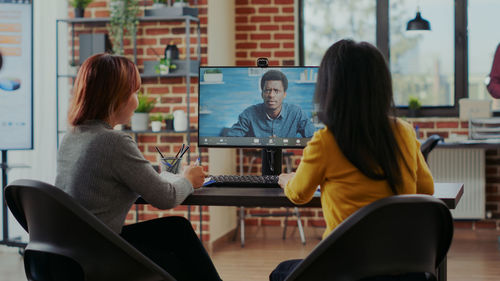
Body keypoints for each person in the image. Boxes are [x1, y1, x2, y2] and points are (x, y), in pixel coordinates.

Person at [269, 40, 434, 281]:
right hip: (404, 270)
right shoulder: (404, 131)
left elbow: (299, 194)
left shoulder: (326, 140)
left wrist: (286, 179)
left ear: (329, 88)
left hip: (345, 269)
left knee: (280, 273)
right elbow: (426, 189)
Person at [55, 53, 221, 281]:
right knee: (178, 260)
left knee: (176, 230)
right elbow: (166, 198)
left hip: (64, 253)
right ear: (115, 97)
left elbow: (121, 176)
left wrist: (166, 176)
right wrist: (189, 179)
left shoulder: (72, 136)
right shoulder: (113, 141)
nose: (136, 100)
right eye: (134, 92)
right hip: (95, 256)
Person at [225, 69, 316, 138]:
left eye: (276, 91)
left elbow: (313, 138)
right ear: (262, 94)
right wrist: (255, 144)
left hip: (284, 157)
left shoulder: (296, 113)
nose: (271, 95)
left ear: (284, 94)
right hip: (258, 156)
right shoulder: (249, 114)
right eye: (267, 90)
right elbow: (231, 138)